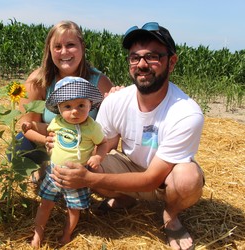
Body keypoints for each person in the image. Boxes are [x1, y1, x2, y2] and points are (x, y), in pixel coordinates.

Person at [51, 22, 205, 250]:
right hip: (130, 165)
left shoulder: (186, 112)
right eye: (135, 58)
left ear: (171, 62)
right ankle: (125, 198)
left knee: (188, 179)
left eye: (152, 57)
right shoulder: (116, 100)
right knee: (86, 160)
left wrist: (88, 179)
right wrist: (65, 152)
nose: (142, 64)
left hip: (164, 178)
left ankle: (170, 217)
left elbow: (152, 178)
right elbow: (103, 144)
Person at [17, 20, 114, 183]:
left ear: (82, 47)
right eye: (57, 47)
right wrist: (46, 141)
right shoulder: (38, 80)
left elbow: (113, 131)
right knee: (19, 147)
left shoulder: (99, 82)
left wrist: (95, 156)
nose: (64, 52)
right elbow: (25, 124)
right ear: (49, 49)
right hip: (52, 142)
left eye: (70, 45)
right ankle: (42, 167)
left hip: (86, 147)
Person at [28, 76, 108, 247]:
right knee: (45, 204)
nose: (74, 111)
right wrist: (32, 125)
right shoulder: (57, 121)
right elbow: (45, 127)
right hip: (54, 173)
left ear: (89, 105)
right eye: (67, 106)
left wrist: (98, 156)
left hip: (76, 176)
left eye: (81, 105)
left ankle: (66, 233)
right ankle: (38, 233)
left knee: (73, 209)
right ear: (59, 107)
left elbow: (103, 143)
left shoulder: (92, 127)